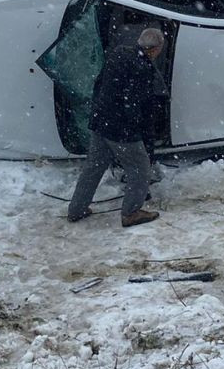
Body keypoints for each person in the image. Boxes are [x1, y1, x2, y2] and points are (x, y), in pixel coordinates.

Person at [66, 25, 166, 227]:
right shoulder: (142, 68)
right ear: (155, 49)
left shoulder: (119, 53)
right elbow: (135, 104)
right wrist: (140, 133)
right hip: (120, 129)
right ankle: (131, 212)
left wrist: (99, 111)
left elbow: (99, 83)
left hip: (101, 121)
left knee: (94, 167)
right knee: (140, 168)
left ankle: (77, 209)